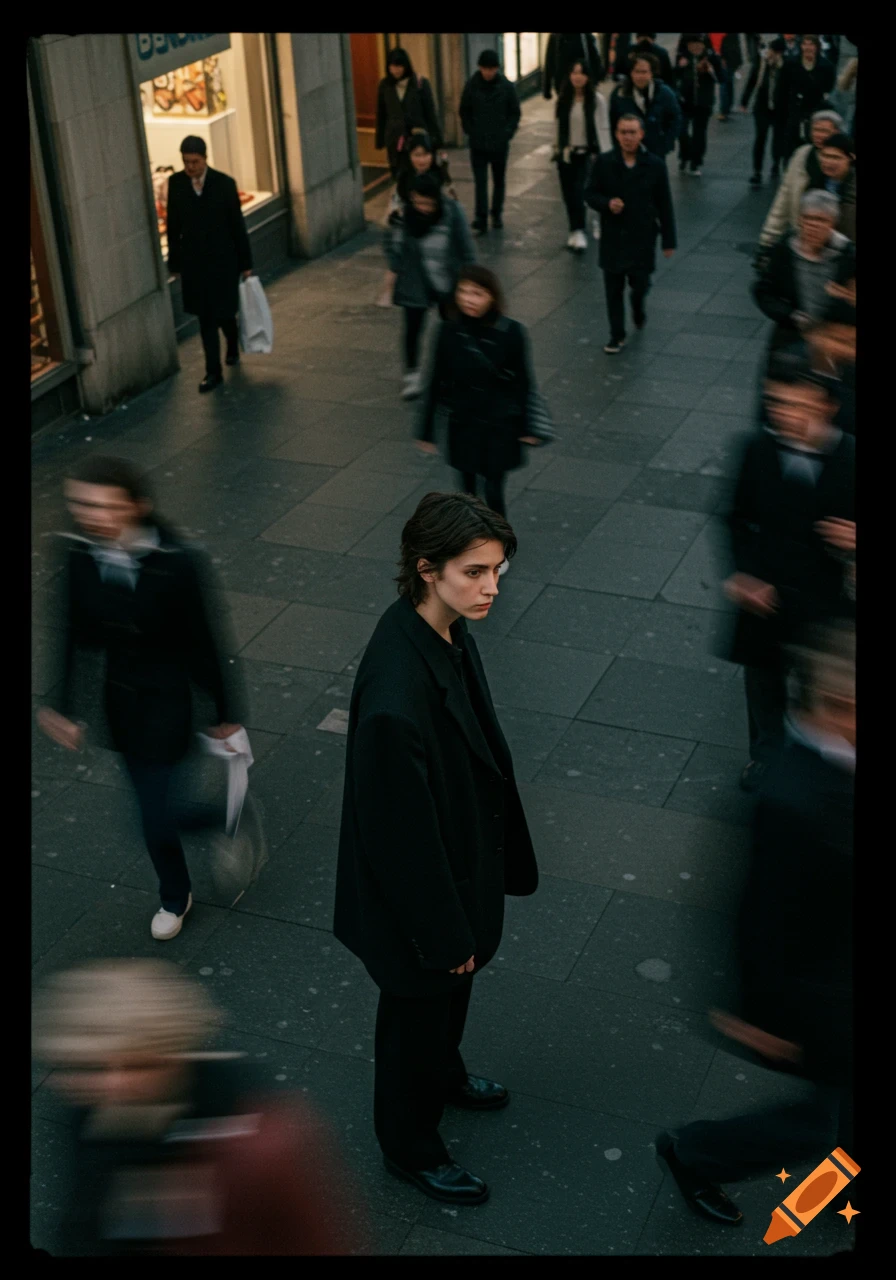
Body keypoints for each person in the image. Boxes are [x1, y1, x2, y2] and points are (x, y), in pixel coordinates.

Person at [333, 490, 539, 1206]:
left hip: (460, 867)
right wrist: (445, 929)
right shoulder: (395, 692)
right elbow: (398, 837)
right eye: (475, 572)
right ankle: (410, 1145)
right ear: (427, 569)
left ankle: (445, 1074)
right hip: (426, 899)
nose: (491, 588)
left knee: (446, 1000)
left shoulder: (444, 630)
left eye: (497, 571)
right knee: (413, 1019)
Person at [657, 623, 854, 1229]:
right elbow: (759, 911)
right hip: (823, 994)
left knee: (838, 1118)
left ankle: (823, 1194)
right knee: (825, 1121)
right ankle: (696, 1153)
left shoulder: (832, 769)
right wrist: (757, 1012)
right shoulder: (790, 798)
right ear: (827, 706)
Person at [37, 456, 245, 940]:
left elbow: (206, 641)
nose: (88, 514)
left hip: (173, 705)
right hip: (122, 705)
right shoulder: (76, 554)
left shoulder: (178, 562)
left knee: (155, 814)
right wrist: (65, 705)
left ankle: (182, 883)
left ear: (136, 506)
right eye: (80, 503)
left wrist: (225, 713)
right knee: (153, 813)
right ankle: (194, 864)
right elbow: (73, 634)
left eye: (102, 505)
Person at [32, 960, 365, 1254]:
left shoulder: (258, 1145)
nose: (115, 1085)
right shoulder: (91, 1120)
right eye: (91, 1068)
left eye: (139, 1065)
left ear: (174, 1058)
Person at [722, 368, 855, 792]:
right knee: (763, 680)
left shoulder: (852, 456)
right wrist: (743, 572)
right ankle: (765, 756)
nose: (785, 414)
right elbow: (737, 517)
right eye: (778, 403)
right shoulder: (756, 449)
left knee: (824, 682)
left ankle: (828, 761)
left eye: (799, 404)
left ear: (827, 407)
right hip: (767, 594)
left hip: (828, 599)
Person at [415, 266, 552, 519]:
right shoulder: (448, 331)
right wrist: (426, 431)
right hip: (463, 422)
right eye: (463, 291)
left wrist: (527, 426)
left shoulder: (511, 333)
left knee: (493, 488)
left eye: (477, 293)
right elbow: (435, 380)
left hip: (498, 424)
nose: (468, 299)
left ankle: (497, 543)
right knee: (467, 491)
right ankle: (475, 536)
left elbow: (522, 382)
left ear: (492, 297)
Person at [165, 136, 253, 395]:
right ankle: (212, 371)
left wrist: (246, 263)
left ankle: (232, 343)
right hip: (195, 264)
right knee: (206, 319)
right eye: (186, 162)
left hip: (223, 261)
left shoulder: (224, 184)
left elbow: (237, 226)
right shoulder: (177, 184)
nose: (190, 167)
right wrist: (175, 261)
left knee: (224, 313)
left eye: (195, 162)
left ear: (205, 159)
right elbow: (173, 226)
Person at [585, 113, 677, 354]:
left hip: (642, 238)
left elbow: (665, 204)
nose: (627, 137)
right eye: (623, 132)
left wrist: (669, 240)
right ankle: (617, 334)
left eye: (632, 132)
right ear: (616, 134)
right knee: (613, 288)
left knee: (640, 284)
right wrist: (607, 204)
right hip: (613, 237)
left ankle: (638, 307)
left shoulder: (655, 165)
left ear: (641, 135)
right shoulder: (605, 162)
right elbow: (590, 194)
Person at [384, 172, 476, 400]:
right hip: (417, 281)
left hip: (449, 281)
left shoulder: (452, 211)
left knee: (454, 330)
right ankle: (412, 375)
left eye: (429, 203)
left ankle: (453, 376)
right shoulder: (405, 216)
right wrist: (397, 263)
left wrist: (471, 279)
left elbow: (466, 248)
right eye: (419, 202)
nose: (424, 207)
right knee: (413, 328)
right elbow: (391, 245)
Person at [753, 190, 856, 353]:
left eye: (821, 219)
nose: (813, 225)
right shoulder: (785, 251)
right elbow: (763, 291)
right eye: (808, 218)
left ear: (833, 223)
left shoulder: (848, 256)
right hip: (792, 339)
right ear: (800, 220)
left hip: (835, 343)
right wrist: (792, 316)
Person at [376, 134, 455, 308]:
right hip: (412, 237)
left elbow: (451, 205)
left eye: (425, 154)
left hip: (437, 239)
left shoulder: (439, 175)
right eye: (416, 155)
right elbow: (395, 208)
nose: (421, 160)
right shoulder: (405, 177)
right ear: (409, 156)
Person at [757, 109, 845, 253]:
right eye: (816, 130)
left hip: (836, 244)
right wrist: (768, 237)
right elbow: (783, 199)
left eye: (824, 131)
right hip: (802, 239)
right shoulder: (802, 155)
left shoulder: (844, 160)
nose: (819, 135)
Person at [459, 50, 521, 235]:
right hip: (478, 142)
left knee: (499, 180)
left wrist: (507, 133)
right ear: (480, 68)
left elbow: (514, 112)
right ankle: (481, 217)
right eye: (485, 69)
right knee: (480, 182)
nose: (488, 73)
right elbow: (464, 111)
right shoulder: (471, 86)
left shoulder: (506, 87)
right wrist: (471, 131)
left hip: (499, 142)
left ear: (497, 68)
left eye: (491, 69)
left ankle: (497, 213)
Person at [554, 60, 612, 251]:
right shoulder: (563, 100)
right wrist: (557, 149)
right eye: (574, 72)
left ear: (588, 77)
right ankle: (574, 229)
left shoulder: (596, 100)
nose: (577, 77)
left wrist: (605, 154)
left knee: (580, 192)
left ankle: (579, 230)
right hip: (566, 153)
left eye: (582, 73)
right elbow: (558, 127)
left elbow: (604, 127)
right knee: (568, 194)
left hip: (587, 153)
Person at [375, 48, 441, 181]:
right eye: (392, 66)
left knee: (417, 175)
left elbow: (430, 112)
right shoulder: (385, 85)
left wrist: (436, 139)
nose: (396, 70)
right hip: (395, 139)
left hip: (416, 138)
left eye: (399, 66)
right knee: (398, 175)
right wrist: (380, 139)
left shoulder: (420, 84)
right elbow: (381, 114)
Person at [610, 52, 681, 161]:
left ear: (652, 73)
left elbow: (675, 119)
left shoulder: (664, 93)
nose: (640, 76)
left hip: (655, 152)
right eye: (636, 71)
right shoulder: (620, 94)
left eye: (644, 72)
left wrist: (666, 144)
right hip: (626, 152)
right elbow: (612, 121)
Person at [741, 38, 789, 185]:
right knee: (760, 137)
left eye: (775, 52)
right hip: (762, 107)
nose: (772, 54)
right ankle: (757, 171)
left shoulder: (787, 65)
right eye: (771, 51)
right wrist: (744, 101)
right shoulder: (762, 62)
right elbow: (752, 80)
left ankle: (775, 163)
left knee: (778, 139)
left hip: (780, 108)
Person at [673, 34, 722, 176]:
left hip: (703, 102)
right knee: (681, 131)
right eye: (692, 44)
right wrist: (680, 67)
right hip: (684, 102)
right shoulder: (683, 57)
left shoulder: (711, 58)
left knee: (699, 133)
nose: (695, 47)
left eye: (698, 44)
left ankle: (695, 162)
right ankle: (685, 155)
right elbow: (674, 77)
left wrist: (710, 70)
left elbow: (721, 77)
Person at [780, 34, 836, 159]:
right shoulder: (791, 63)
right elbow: (782, 87)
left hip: (814, 110)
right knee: (791, 145)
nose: (808, 47)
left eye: (811, 44)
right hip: (794, 110)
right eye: (805, 44)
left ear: (817, 47)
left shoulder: (825, 66)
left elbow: (828, 86)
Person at [806, 132, 856, 242]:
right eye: (825, 156)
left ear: (851, 158)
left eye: (835, 157)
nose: (828, 162)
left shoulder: (852, 192)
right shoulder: (814, 182)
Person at [543, 32, 603, 98]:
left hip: (582, 81)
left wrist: (597, 77)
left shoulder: (585, 35)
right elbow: (549, 61)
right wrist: (546, 87)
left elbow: (594, 57)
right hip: (563, 82)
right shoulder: (556, 36)